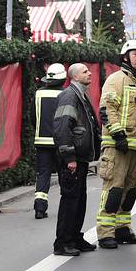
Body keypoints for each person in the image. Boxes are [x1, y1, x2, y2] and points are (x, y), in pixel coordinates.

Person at [95, 40, 136, 249]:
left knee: (130, 189)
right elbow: (107, 109)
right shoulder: (116, 79)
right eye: (135, 53)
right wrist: (118, 136)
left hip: (135, 146)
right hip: (117, 145)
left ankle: (122, 229)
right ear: (125, 56)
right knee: (113, 189)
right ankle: (105, 233)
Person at [52, 63, 101, 256]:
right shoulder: (69, 96)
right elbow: (62, 128)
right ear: (74, 77)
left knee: (79, 199)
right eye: (85, 72)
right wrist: (69, 157)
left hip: (80, 158)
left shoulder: (80, 95)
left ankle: (75, 238)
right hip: (72, 159)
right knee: (71, 200)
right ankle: (63, 243)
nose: (89, 73)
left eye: (89, 71)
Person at [33, 63, 67, 219]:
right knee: (63, 174)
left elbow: (33, 118)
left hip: (41, 141)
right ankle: (66, 208)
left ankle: (40, 208)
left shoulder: (38, 94)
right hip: (61, 142)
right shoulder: (66, 94)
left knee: (43, 174)